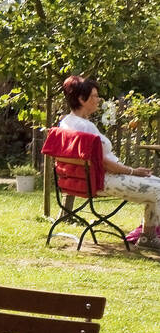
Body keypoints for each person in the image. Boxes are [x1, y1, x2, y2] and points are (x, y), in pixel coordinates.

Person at [58, 75, 160, 247]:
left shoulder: (67, 122)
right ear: (82, 99)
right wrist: (132, 171)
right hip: (101, 180)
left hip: (88, 180)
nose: (98, 100)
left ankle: (148, 236)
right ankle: (148, 237)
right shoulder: (84, 127)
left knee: (156, 184)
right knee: (158, 188)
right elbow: (103, 163)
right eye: (94, 96)